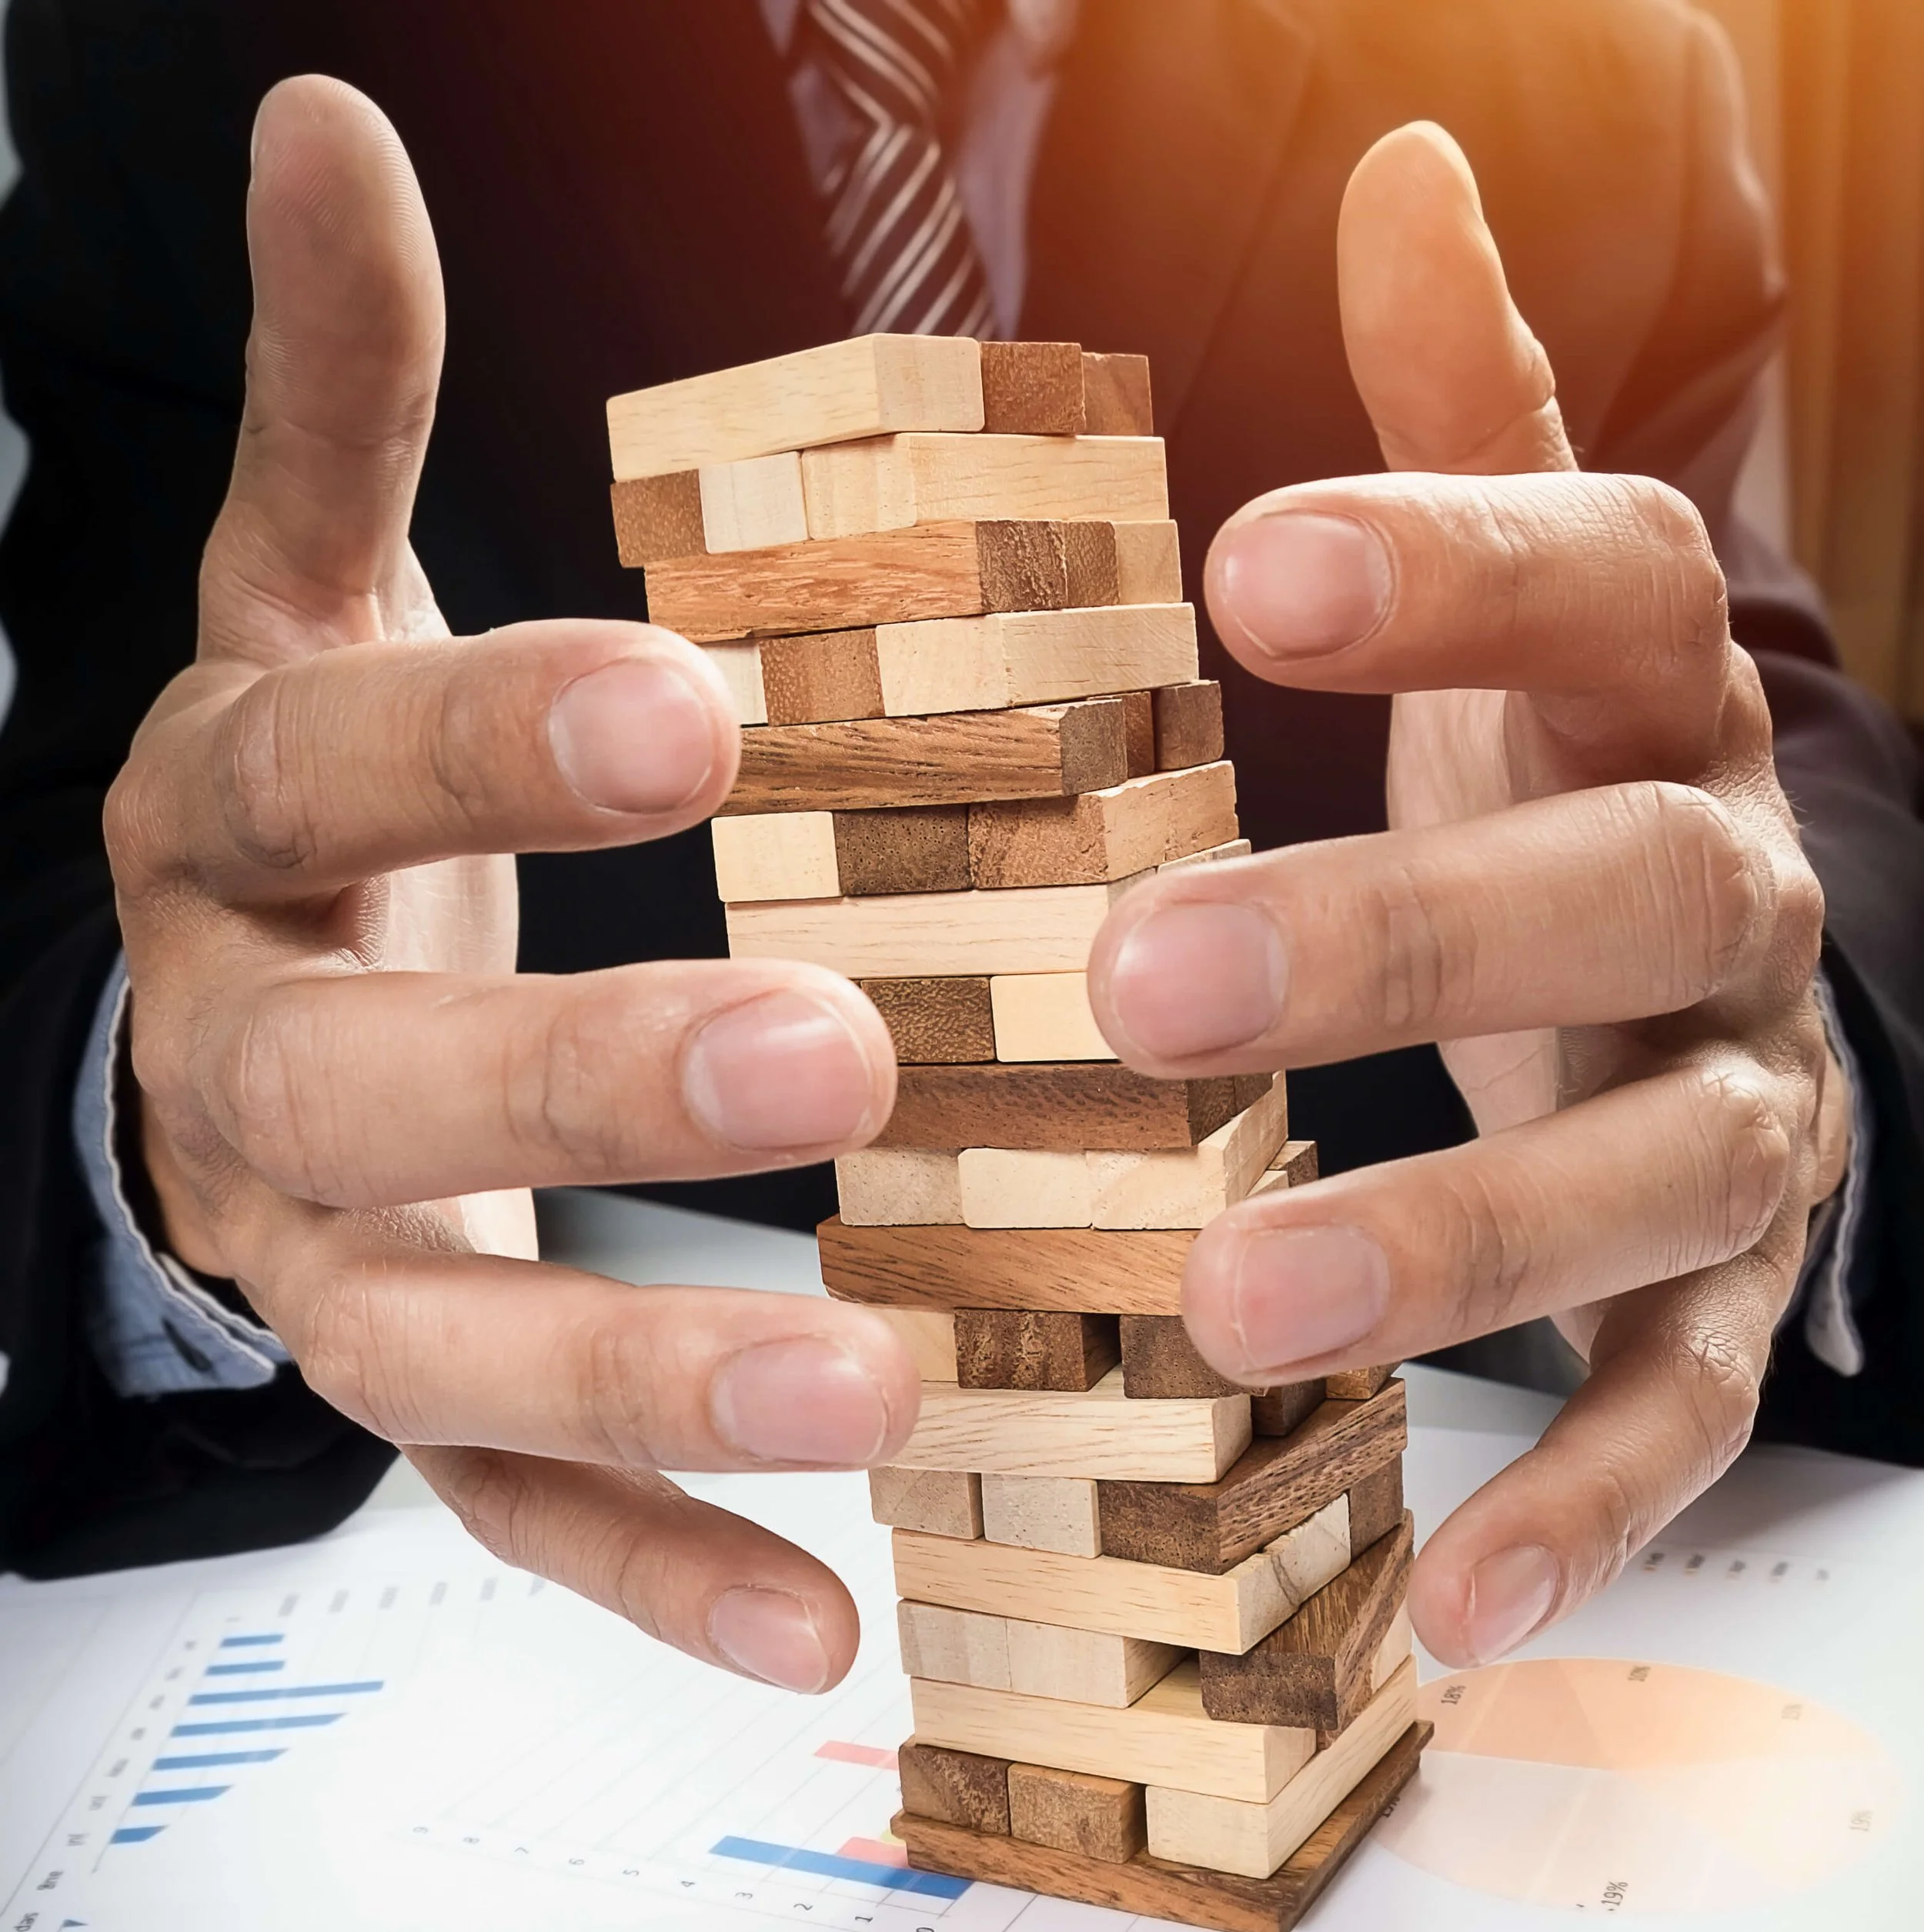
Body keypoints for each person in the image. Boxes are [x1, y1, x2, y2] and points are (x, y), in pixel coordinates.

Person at [0, 0, 1917, 1693]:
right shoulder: (192, 38)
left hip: (1387, 1415)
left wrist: (1758, 1038)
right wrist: (188, 1121)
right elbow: (100, 826)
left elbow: (1752, 722)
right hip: (632, 1535)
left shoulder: (1599, 69)